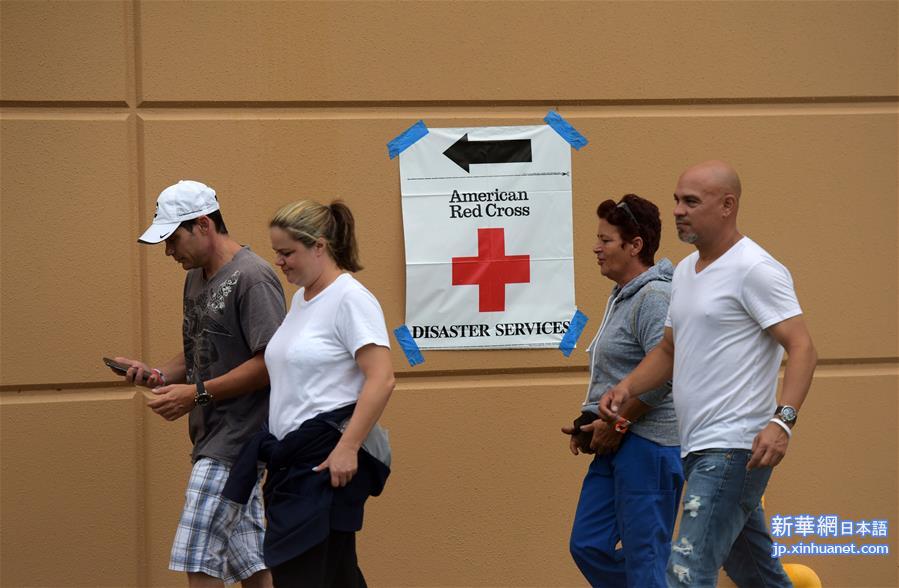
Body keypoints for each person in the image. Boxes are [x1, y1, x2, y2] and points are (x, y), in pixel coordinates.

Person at [599, 161, 817, 587]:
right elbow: (669, 349)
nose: (678, 210)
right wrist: (625, 388)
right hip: (697, 445)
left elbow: (802, 347)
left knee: (686, 572)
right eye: (677, 200)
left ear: (727, 205)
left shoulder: (755, 268)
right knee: (755, 574)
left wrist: (782, 422)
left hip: (735, 447)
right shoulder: (684, 272)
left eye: (691, 201)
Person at [110, 180, 285, 588]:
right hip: (214, 436)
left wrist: (198, 393)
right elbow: (200, 350)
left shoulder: (252, 277)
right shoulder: (197, 277)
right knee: (251, 562)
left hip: (239, 440)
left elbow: (273, 363)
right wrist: (156, 374)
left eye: (173, 239)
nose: (169, 251)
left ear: (204, 224)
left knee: (198, 555)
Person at [223, 199, 394, 588]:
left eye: (287, 253)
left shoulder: (350, 298)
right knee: (335, 575)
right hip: (294, 464)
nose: (279, 262)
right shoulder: (302, 300)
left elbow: (381, 378)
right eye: (276, 253)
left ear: (320, 246)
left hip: (321, 465)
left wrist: (347, 447)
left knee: (301, 573)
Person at [562, 194, 683, 587]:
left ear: (635, 246)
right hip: (618, 441)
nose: (596, 248)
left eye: (607, 240)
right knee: (589, 545)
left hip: (649, 447)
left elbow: (665, 375)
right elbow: (621, 372)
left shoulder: (654, 297)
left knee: (645, 557)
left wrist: (617, 425)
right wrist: (592, 420)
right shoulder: (623, 296)